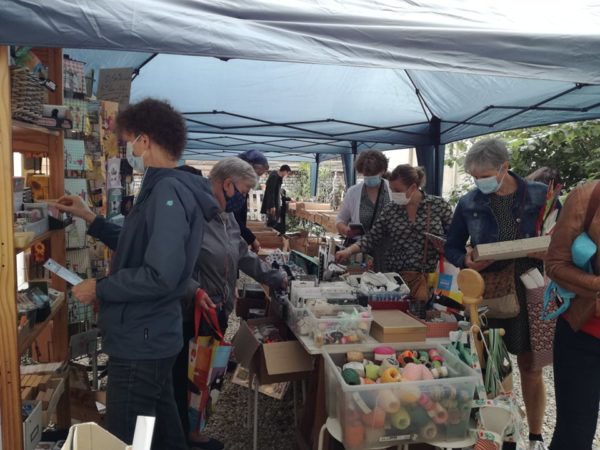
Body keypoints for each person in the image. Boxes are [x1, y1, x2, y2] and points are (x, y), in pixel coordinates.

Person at [53, 99, 219, 449]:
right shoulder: (161, 187)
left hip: (142, 339)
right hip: (150, 334)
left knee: (124, 436)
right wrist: (92, 218)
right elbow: (140, 244)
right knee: (161, 430)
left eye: (130, 139)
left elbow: (160, 274)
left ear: (145, 140)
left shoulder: (167, 191)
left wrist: (100, 287)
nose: (128, 148)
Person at [173, 157, 287, 450]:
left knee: (208, 372)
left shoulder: (226, 219)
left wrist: (276, 278)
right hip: (191, 314)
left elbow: (244, 257)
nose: (245, 198)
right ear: (227, 184)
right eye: (244, 191)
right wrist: (195, 291)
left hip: (217, 311)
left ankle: (195, 431)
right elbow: (172, 266)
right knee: (185, 376)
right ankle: (179, 434)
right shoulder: (192, 215)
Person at [444, 138, 549, 450]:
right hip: (490, 293)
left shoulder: (541, 196)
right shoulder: (469, 202)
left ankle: (535, 435)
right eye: (474, 177)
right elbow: (451, 246)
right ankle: (499, 435)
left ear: (505, 167)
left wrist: (551, 251)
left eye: (485, 175)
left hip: (529, 286)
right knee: (493, 368)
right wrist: (466, 259)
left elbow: (563, 237)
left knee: (531, 367)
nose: (480, 183)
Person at [545, 181, 600, 450]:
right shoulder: (588, 196)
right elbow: (556, 263)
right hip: (584, 331)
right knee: (574, 432)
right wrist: (596, 285)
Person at [336, 165, 452, 292]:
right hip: (395, 280)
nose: (394, 194)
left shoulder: (438, 206)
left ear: (413, 187)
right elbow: (372, 237)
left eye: (397, 190)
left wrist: (444, 245)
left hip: (430, 279)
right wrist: (348, 251)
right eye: (392, 190)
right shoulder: (390, 209)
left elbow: (454, 236)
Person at [335, 150, 392, 271]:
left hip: (388, 255)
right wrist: (346, 230)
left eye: (373, 174)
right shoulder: (353, 192)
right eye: (366, 175)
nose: (369, 177)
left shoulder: (392, 189)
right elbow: (340, 220)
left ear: (382, 171)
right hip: (361, 254)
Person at [229, 150, 270, 253]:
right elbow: (233, 218)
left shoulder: (239, 186)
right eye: (257, 174)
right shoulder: (233, 189)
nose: (257, 179)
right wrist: (251, 238)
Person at [260, 164, 291, 228]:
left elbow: (278, 191)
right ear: (285, 171)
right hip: (272, 205)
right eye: (287, 173)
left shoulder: (278, 177)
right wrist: (272, 206)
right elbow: (271, 192)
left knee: (274, 223)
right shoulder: (274, 176)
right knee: (272, 223)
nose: (286, 175)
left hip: (275, 203)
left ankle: (272, 235)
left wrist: (288, 198)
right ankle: (270, 237)